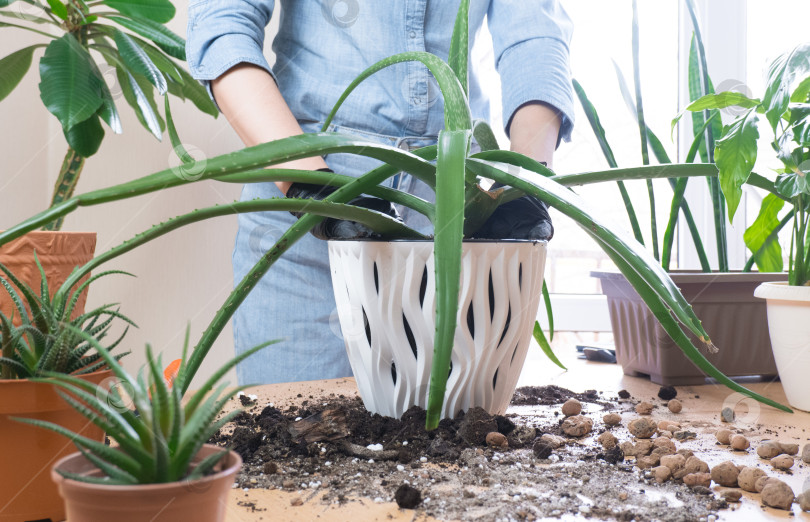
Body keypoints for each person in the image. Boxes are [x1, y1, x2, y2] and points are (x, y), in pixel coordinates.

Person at [186, 1, 574, 385]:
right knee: (295, 432)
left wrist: (526, 179)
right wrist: (310, 184)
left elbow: (535, 35)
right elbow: (223, 25)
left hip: (455, 211)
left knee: (452, 435)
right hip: (309, 198)